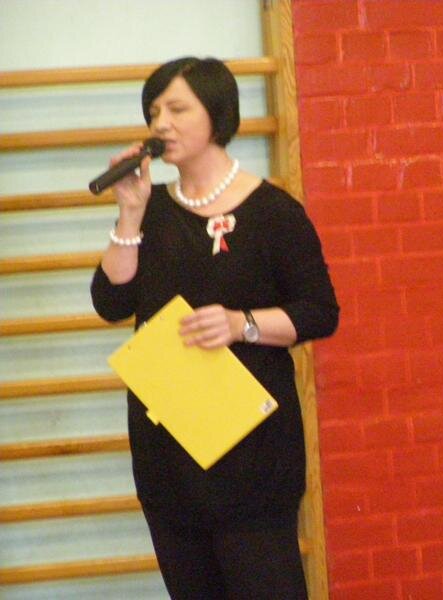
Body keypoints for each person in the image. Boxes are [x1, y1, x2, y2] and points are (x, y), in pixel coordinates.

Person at [90, 56, 338, 599]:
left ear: (217, 113)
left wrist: (240, 324)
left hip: (252, 456)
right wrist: (130, 212)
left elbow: (320, 311)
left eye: (178, 109)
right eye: (154, 112)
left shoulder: (274, 212)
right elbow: (110, 301)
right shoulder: (152, 210)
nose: (161, 124)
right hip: (169, 453)